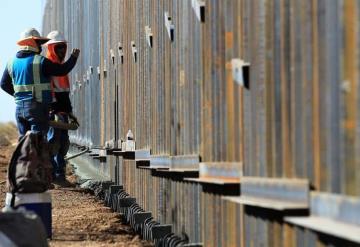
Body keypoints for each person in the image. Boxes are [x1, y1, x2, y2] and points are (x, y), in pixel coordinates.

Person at [0, 28, 80, 139]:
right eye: (38, 43)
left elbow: (3, 84)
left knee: (24, 143)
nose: (41, 46)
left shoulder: (11, 62)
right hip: (36, 109)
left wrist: (19, 95)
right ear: (31, 42)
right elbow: (61, 70)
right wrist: (73, 58)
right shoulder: (40, 61)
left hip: (19, 109)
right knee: (39, 143)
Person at [45, 30, 78, 182]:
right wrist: (53, 110)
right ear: (51, 48)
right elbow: (51, 92)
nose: (62, 51)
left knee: (63, 143)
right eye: (58, 47)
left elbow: (63, 93)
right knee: (53, 142)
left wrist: (70, 112)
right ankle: (52, 174)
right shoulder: (49, 65)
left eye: (63, 47)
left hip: (63, 112)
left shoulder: (59, 67)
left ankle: (59, 174)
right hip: (54, 111)